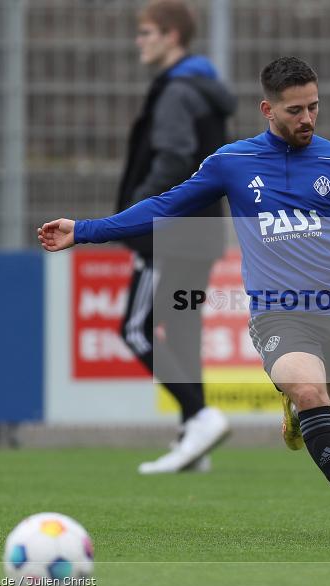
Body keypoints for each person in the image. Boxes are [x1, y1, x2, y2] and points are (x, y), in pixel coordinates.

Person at [39, 56, 330, 538]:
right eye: (295, 110)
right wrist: (85, 230)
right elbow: (165, 206)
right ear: (268, 109)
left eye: (313, 108)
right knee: (308, 390)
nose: (307, 119)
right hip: (279, 315)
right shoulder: (232, 163)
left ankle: (302, 417)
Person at [116, 0, 237, 475]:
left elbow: (173, 158)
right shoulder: (204, 90)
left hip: (166, 234)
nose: (139, 41)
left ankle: (202, 417)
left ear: (171, 36)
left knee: (133, 328)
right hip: (202, 232)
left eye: (146, 32)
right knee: (183, 334)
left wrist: (136, 212)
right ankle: (195, 442)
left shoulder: (176, 91)